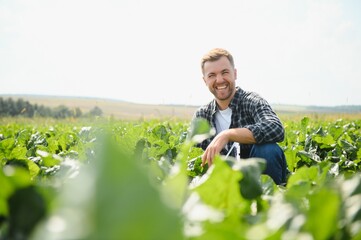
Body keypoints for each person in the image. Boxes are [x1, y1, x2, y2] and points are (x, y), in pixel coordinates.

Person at [191, 48, 288, 185]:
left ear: (235, 74)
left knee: (267, 149)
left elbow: (275, 128)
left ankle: (268, 201)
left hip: (257, 181)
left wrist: (228, 134)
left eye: (225, 72)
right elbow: (192, 155)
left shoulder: (251, 101)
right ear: (205, 80)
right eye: (212, 75)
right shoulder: (202, 116)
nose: (219, 80)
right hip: (223, 185)